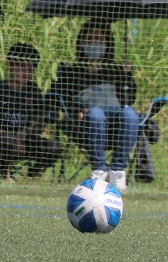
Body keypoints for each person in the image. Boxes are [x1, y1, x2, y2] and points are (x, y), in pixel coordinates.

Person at [49, 20, 138, 192]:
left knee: (130, 114)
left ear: (107, 43)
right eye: (89, 39)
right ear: (81, 42)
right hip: (84, 125)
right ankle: (99, 169)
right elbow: (64, 98)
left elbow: (129, 99)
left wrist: (127, 76)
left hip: (115, 128)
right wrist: (76, 110)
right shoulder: (72, 71)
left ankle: (118, 171)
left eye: (99, 39)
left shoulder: (116, 70)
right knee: (96, 113)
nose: (94, 43)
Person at [0, 43, 61, 181]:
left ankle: (32, 175)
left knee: (54, 147)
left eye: (31, 69)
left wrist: (24, 134)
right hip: (0, 141)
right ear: (9, 64)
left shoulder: (33, 91)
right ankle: (5, 173)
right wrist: (9, 135)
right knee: (7, 141)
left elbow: (40, 123)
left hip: (25, 139)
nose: (26, 73)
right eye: (22, 67)